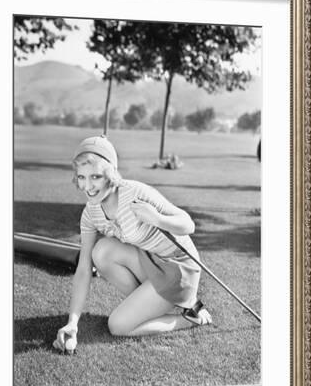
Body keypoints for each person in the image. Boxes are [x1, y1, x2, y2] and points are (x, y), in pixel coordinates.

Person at [54, 135, 212, 352]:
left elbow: (188, 224)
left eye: (96, 176)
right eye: (82, 177)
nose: (88, 186)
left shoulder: (135, 192)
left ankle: (191, 317)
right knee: (100, 252)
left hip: (178, 268)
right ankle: (148, 304)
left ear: (110, 174)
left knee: (117, 326)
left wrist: (157, 219)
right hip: (150, 262)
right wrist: (73, 322)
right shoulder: (90, 214)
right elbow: (83, 269)